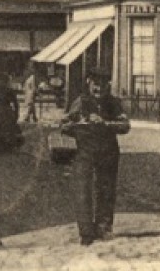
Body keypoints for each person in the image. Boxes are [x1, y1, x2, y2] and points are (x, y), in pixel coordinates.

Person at [62, 72, 130, 246]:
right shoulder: (81, 102)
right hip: (85, 151)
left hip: (108, 151)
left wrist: (105, 123)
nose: (99, 88)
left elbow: (125, 126)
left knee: (106, 188)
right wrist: (81, 122)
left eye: (103, 83)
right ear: (88, 83)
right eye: (95, 84)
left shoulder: (114, 103)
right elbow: (64, 125)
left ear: (108, 84)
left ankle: (103, 227)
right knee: (83, 190)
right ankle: (86, 232)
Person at [0, 71, 23, 153]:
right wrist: (16, 113)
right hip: (5, 110)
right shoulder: (8, 90)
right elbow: (15, 103)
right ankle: (4, 145)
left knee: (1, 127)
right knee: (5, 128)